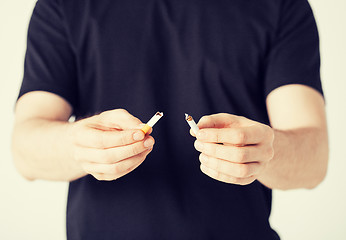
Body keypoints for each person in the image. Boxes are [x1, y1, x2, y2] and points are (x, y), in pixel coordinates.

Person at [12, 0, 329, 239]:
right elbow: (25, 150)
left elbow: (313, 160)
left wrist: (266, 151)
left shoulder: (282, 5)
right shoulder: (64, 5)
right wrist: (78, 145)